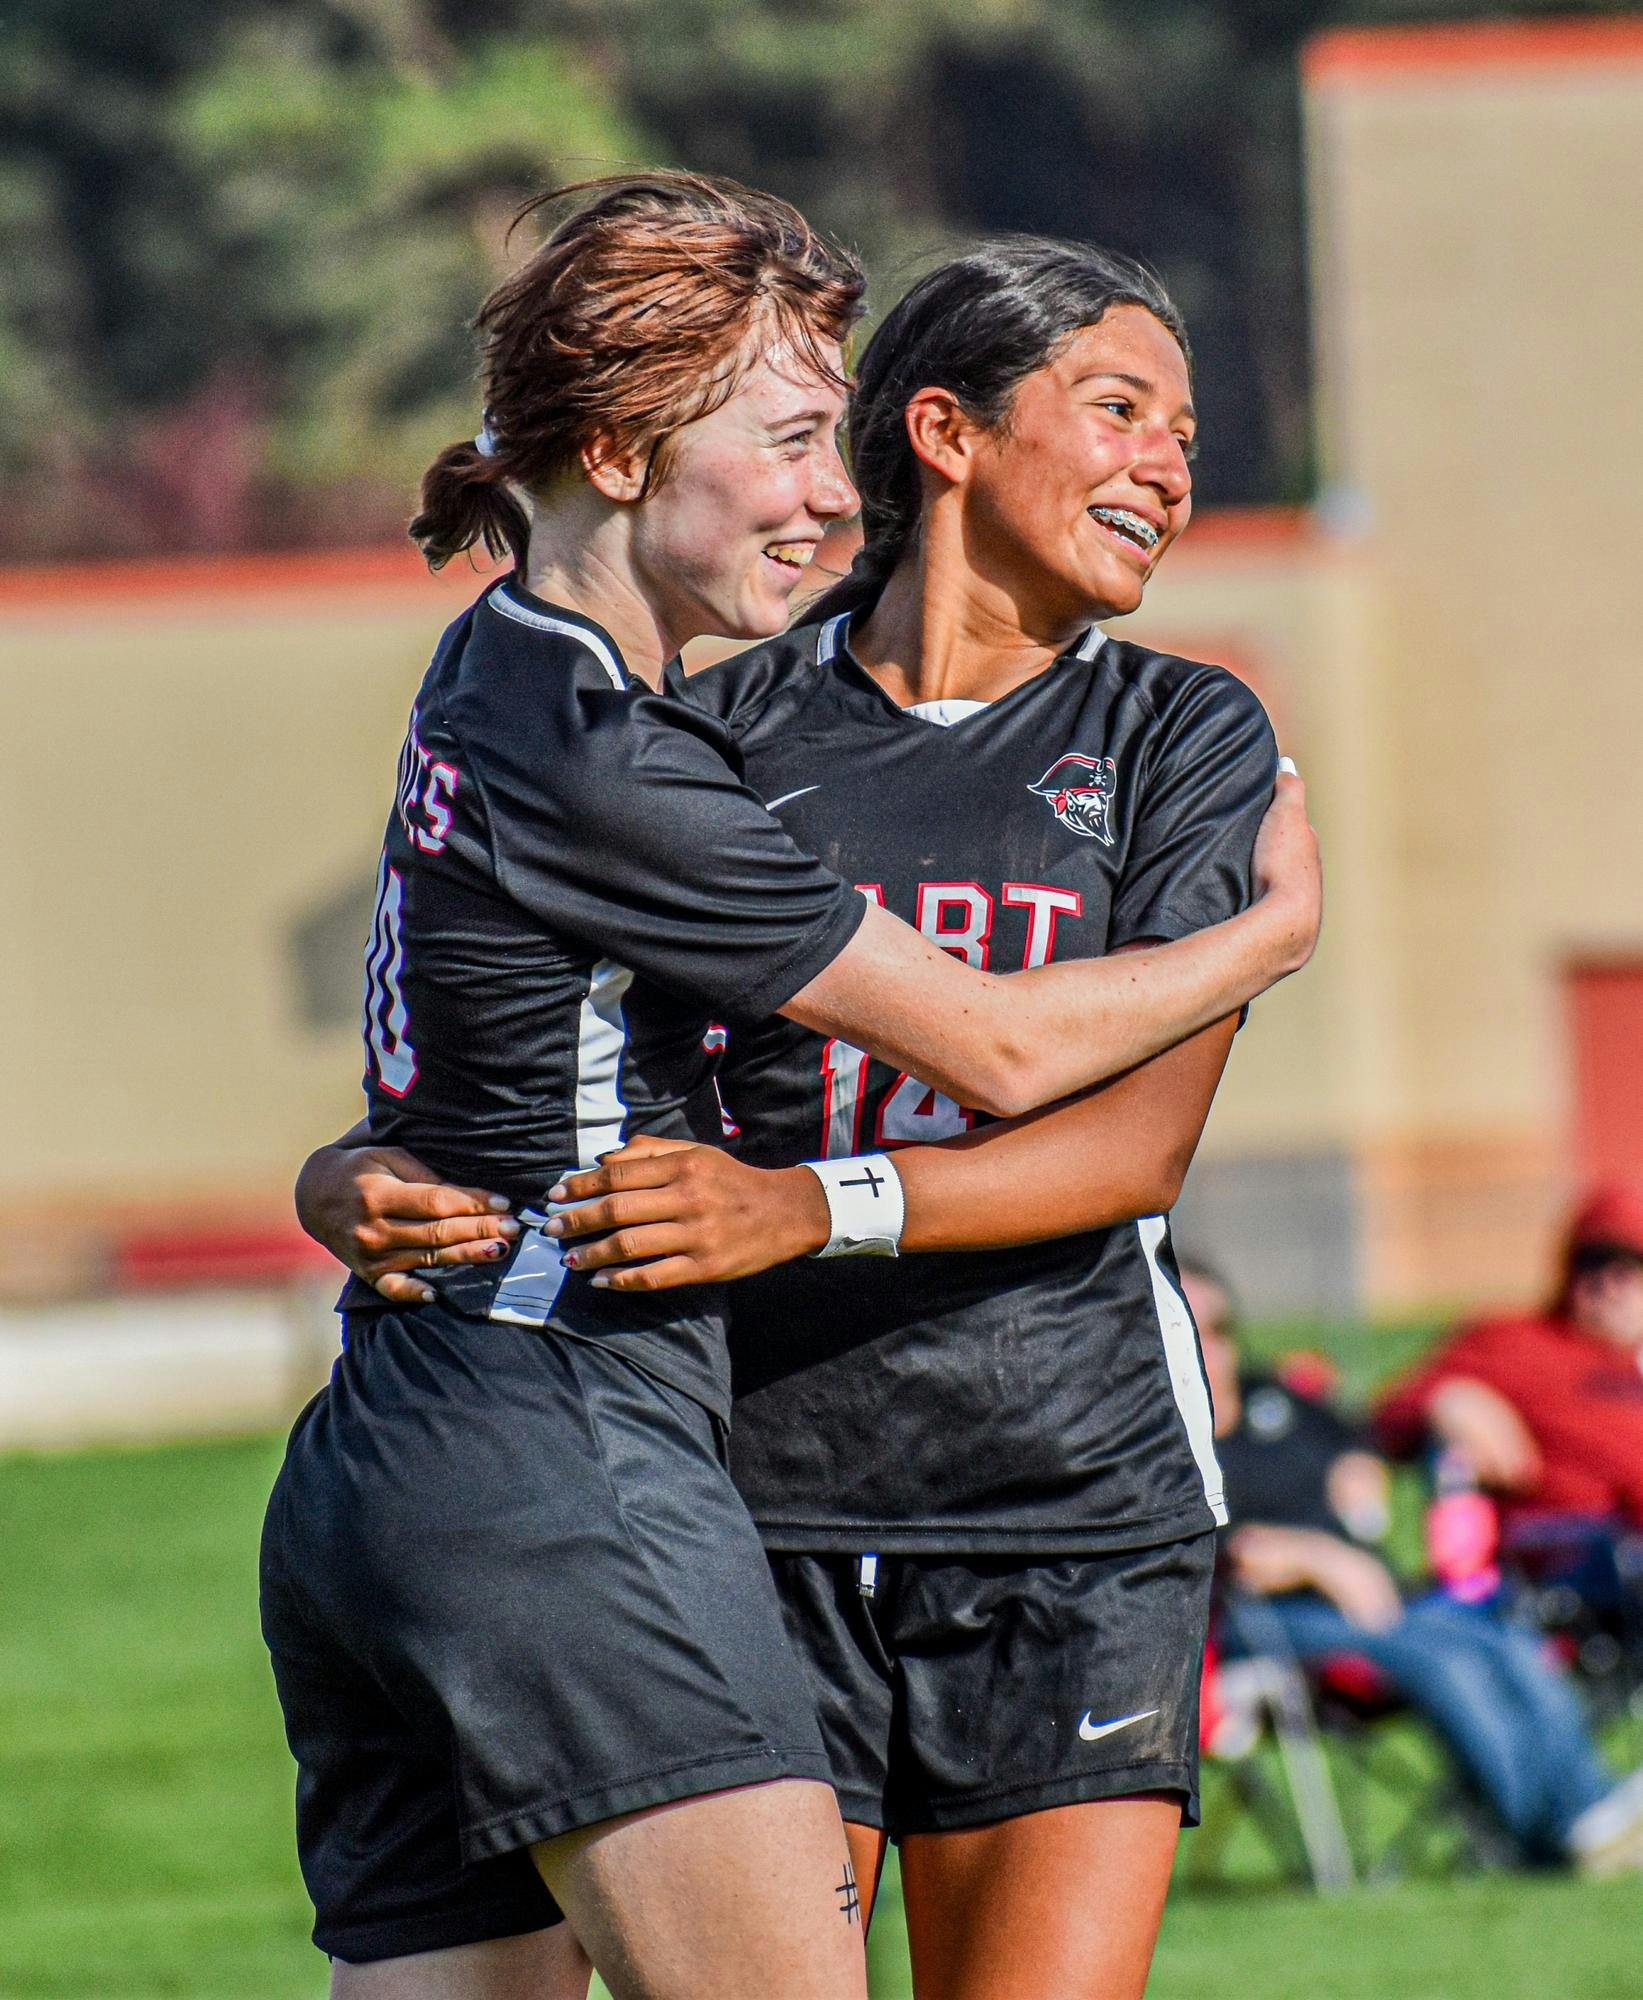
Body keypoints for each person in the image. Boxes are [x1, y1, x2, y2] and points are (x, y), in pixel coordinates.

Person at [269, 181, 1321, 2000]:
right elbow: (992, 1048)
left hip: (996, 1485)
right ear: (947, 433)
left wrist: (352, 1174)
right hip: (652, 1464)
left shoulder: (1164, 729)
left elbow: (1129, 1142)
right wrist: (1271, 931)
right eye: (1119, 405)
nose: (1167, 458)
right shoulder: (669, 734)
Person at [1186, 1257, 1643, 1873]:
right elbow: (1212, 1549)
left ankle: (1587, 1811)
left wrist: (1365, 1462)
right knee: (1443, 1658)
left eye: (1219, 1328)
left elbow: (1372, 1430)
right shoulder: (1161, 1437)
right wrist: (1315, 1556)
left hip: (1374, 1599)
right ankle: (1548, 1832)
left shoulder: (1279, 1399)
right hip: (1260, 1619)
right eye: (1185, 1328)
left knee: (1499, 1636)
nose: (1207, 1346)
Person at [1376, 1182, 1643, 1538]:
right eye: (1592, 1262)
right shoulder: (1516, 1342)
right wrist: (1450, 1400)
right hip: (1570, 1557)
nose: (1608, 1283)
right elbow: (1383, 1420)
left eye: (1630, 1266)